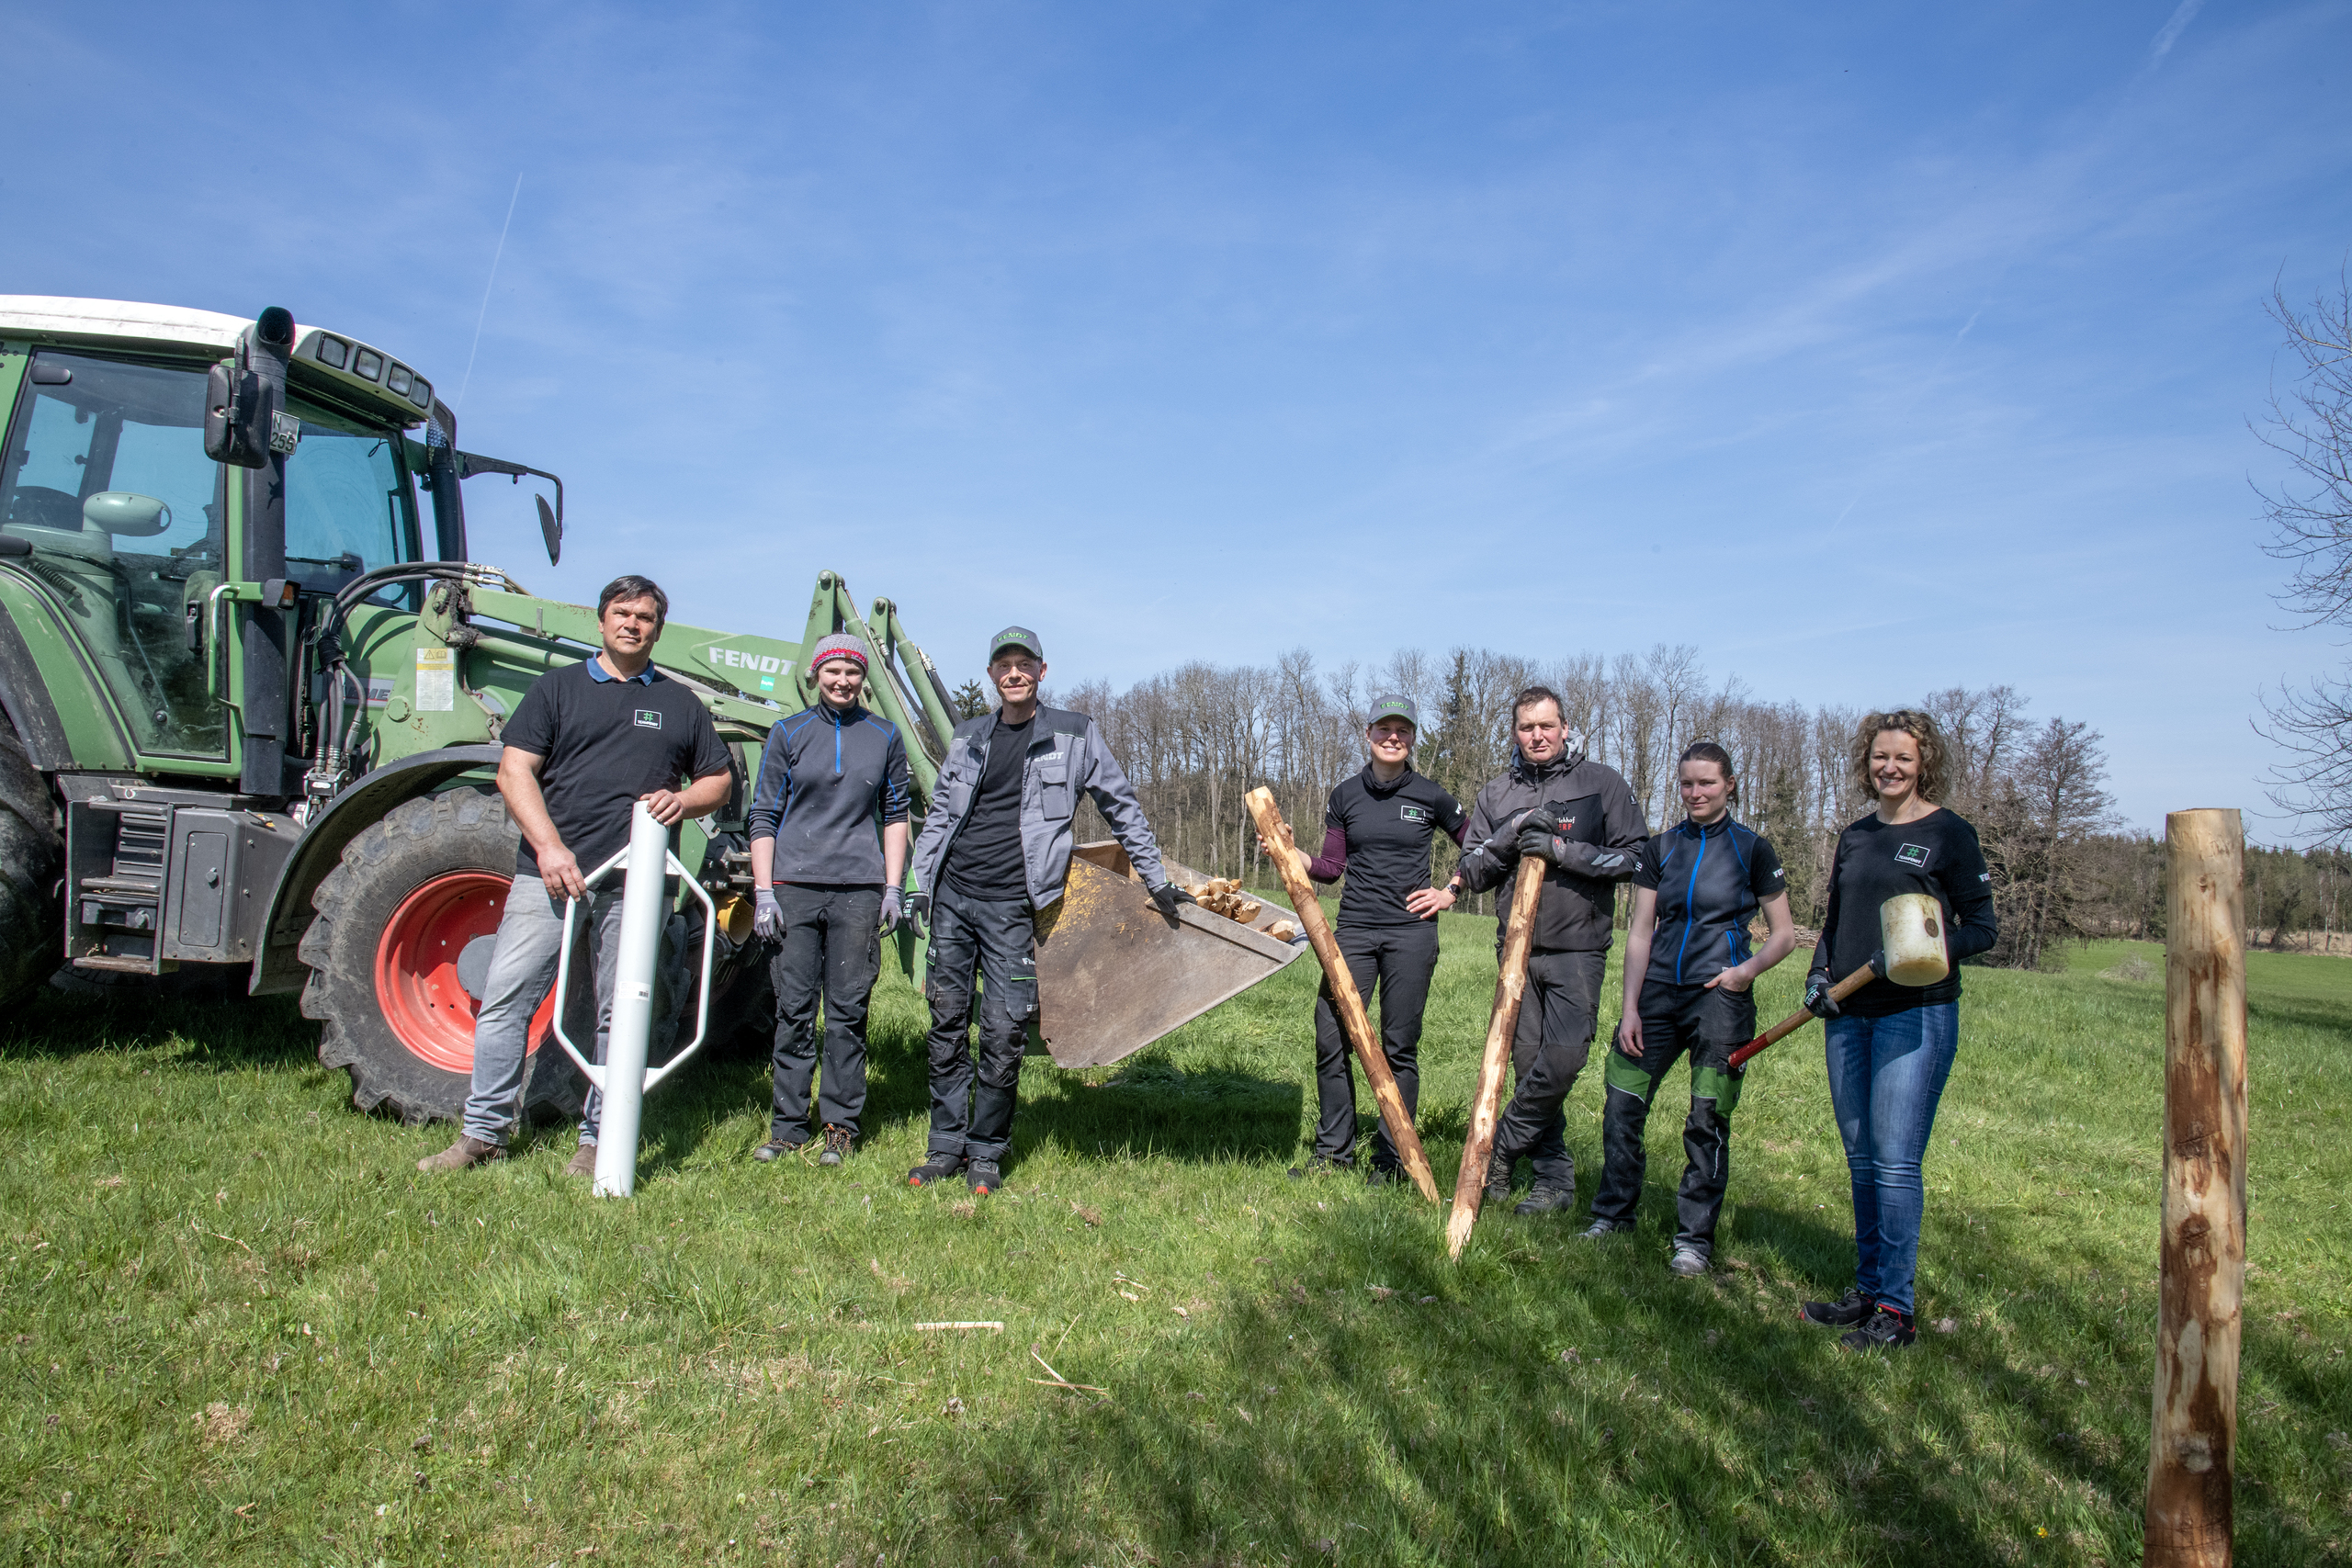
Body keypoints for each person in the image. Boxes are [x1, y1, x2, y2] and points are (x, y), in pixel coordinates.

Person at [419, 575, 733, 1176]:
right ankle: (482, 1133)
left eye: (645, 617)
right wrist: (550, 849)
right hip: (550, 876)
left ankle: (598, 1141)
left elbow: (718, 780)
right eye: (622, 613)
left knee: (621, 1014)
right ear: (601, 620)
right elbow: (514, 772)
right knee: (507, 999)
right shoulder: (557, 689)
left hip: (635, 884)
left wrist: (684, 800)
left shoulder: (679, 704)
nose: (632, 624)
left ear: (658, 629)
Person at [904, 626, 1189, 1196]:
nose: (1013, 673)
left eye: (1024, 664)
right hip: (955, 897)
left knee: (1003, 1028)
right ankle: (944, 1147)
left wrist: (1155, 878)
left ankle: (987, 1151)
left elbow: (1121, 805)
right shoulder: (968, 736)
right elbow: (939, 815)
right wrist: (920, 883)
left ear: (1041, 671)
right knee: (946, 1021)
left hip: (1013, 904)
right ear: (992, 674)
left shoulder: (1074, 734)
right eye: (1003, 664)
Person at [1797, 710, 1996, 1351]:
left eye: (1903, 758)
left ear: (1924, 763)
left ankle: (1897, 1311)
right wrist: (1818, 974)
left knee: (1894, 1160)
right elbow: (1834, 923)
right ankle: (1868, 1289)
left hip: (1915, 1014)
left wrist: (1923, 952)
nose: (1890, 767)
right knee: (1861, 1158)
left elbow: (1983, 928)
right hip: (1847, 1016)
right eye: (1880, 756)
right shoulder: (1855, 837)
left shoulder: (1949, 834)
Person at [1583, 741, 1797, 1274]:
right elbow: (1640, 932)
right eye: (1686, 783)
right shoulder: (1661, 848)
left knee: (1707, 1117)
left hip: (1720, 1001)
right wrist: (1630, 1008)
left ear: (1729, 785)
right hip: (1655, 995)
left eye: (1706, 783)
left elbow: (1785, 936)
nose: (1695, 793)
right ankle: (1613, 1215)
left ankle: (1694, 1241)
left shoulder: (1753, 849)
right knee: (1621, 1103)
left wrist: (1743, 974)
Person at [1448, 686, 1648, 1213]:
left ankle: (1499, 1148)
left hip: (1578, 949)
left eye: (1546, 725)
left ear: (1565, 728)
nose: (1537, 736)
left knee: (1563, 1059)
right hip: (1516, 950)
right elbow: (1471, 871)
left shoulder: (1601, 784)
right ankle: (1554, 1181)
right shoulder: (1497, 794)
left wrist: (1562, 851)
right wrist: (1510, 836)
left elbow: (1636, 858)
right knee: (1529, 1064)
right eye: (1526, 727)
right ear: (1515, 733)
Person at [1257, 697, 1469, 1185]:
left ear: (1412, 738)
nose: (1393, 737)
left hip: (1411, 934)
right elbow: (1331, 868)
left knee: (1399, 1046)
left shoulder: (1431, 796)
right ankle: (1334, 1153)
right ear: (1367, 734)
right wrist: (1288, 852)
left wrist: (1451, 890)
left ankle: (1393, 1161)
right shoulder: (1344, 795)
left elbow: (1479, 844)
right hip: (1353, 930)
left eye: (1403, 730)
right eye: (1384, 728)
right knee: (1332, 1035)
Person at [743, 632, 912, 1168]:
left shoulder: (884, 735)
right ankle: (789, 1127)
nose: (843, 681)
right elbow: (764, 815)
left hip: (858, 892)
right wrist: (764, 892)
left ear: (864, 679)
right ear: (816, 674)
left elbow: (895, 815)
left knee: (847, 1011)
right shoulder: (788, 732)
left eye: (853, 672)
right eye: (833, 671)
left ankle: (840, 1126)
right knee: (793, 1010)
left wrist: (892, 887)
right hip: (793, 889)